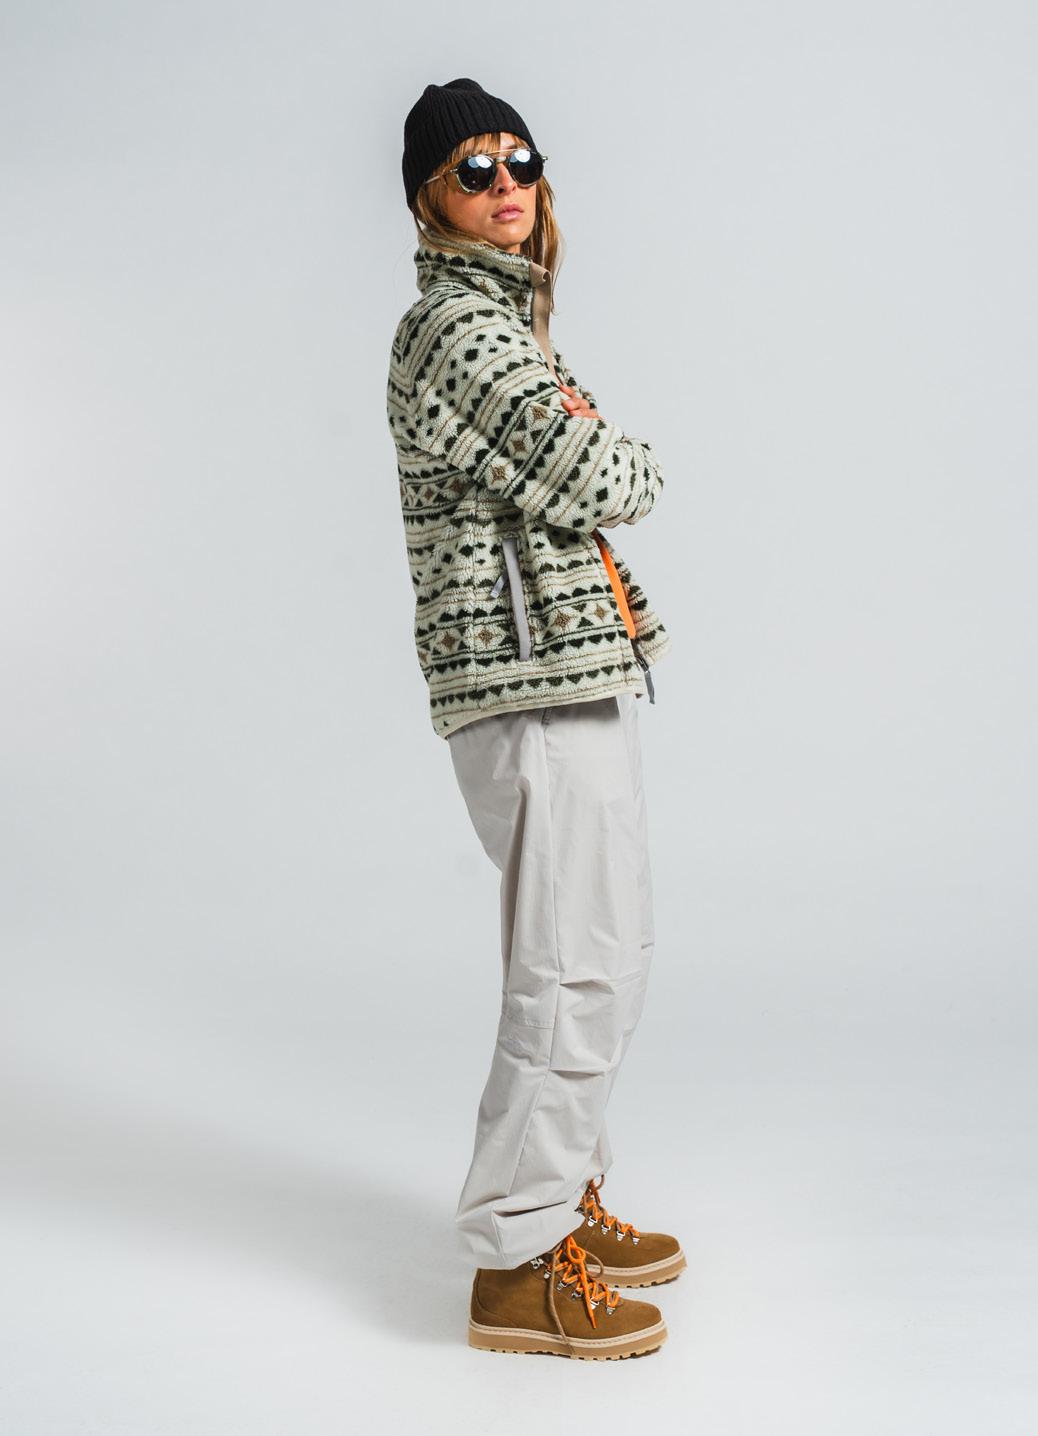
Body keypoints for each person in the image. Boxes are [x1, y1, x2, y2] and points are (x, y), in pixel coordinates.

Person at [386, 78, 684, 1361]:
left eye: (519, 157)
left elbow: (576, 471)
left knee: (597, 953)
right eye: (473, 167)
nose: (505, 181)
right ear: (428, 198)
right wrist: (623, 453)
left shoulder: (507, 317)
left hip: (563, 668)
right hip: (528, 679)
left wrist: (592, 446)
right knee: (570, 969)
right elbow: (607, 472)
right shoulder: (457, 328)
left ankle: (560, 1200)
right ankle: (516, 1257)